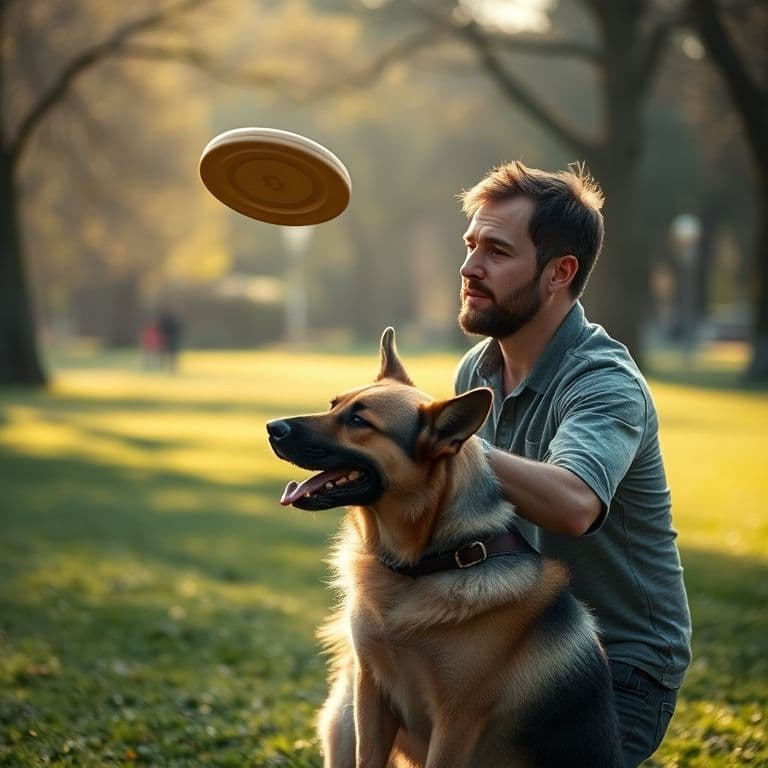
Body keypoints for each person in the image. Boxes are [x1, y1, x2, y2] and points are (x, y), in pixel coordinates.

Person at [453, 161, 691, 768]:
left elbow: (574, 503)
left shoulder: (604, 382)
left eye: (497, 251)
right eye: (471, 244)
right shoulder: (476, 372)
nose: (470, 267)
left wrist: (446, 444)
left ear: (560, 272)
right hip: (517, 646)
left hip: (619, 665)